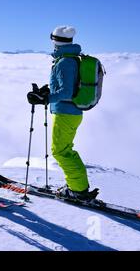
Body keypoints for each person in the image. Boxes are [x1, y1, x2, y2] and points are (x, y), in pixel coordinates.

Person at [27, 26, 98, 201]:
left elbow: (66, 92)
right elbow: (66, 88)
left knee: (61, 151)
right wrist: (47, 92)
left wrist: (46, 99)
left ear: (55, 40)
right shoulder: (70, 59)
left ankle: (78, 190)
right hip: (71, 112)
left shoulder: (65, 62)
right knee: (65, 150)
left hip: (66, 112)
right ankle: (78, 186)